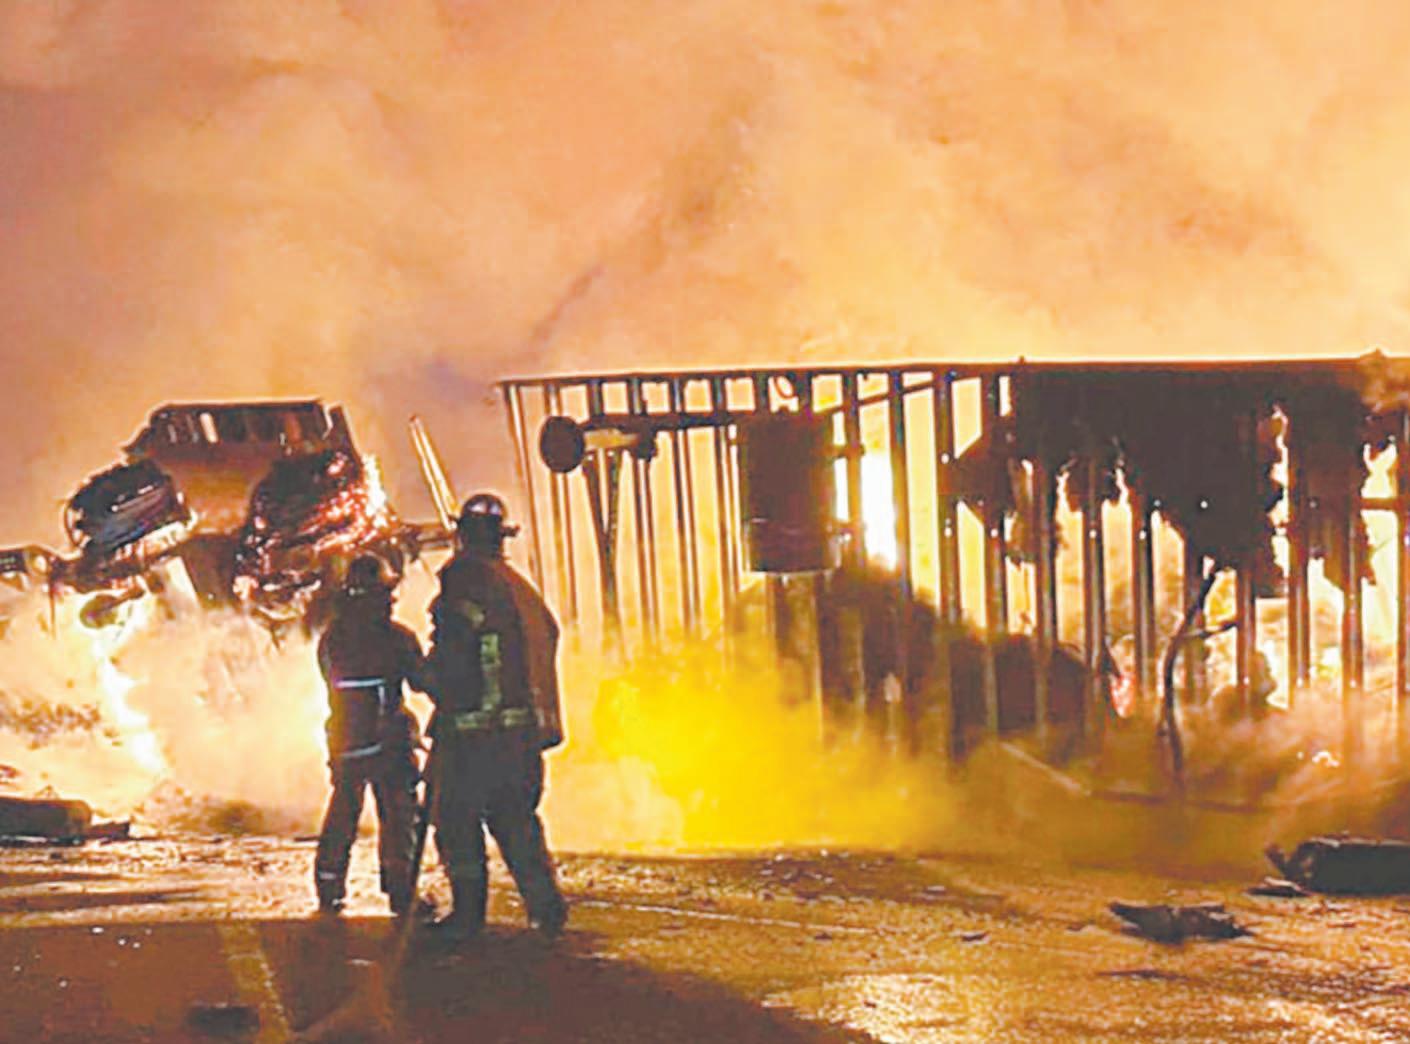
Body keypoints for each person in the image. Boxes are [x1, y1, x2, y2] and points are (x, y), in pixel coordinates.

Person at [422, 492, 567, 940]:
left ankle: (468, 917)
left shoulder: (465, 581)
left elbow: (453, 654)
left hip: (472, 739)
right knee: (516, 822)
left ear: (463, 535)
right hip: (519, 737)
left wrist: (422, 675)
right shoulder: (516, 588)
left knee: (457, 823)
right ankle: (546, 908)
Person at [313, 554, 426, 917]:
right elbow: (422, 681)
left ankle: (328, 885)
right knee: (398, 818)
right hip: (387, 744)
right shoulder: (396, 639)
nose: (391, 601)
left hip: (346, 743)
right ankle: (401, 892)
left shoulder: (332, 639)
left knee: (343, 812)